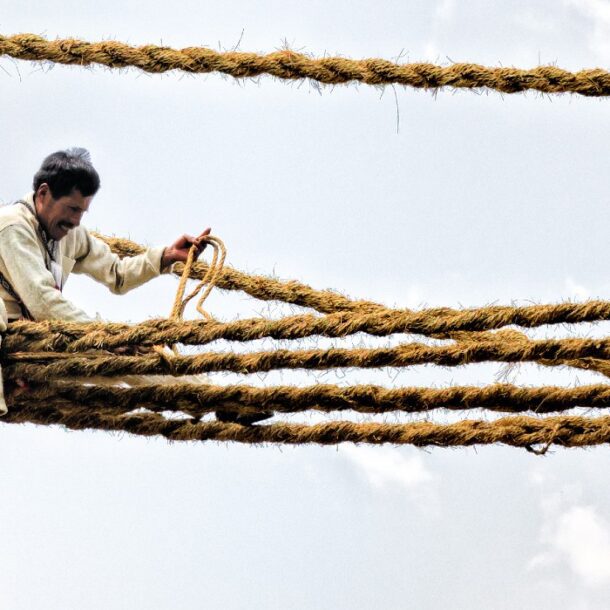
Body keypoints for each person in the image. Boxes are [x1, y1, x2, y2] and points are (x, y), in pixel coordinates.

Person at [0, 148, 210, 414]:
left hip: (48, 336)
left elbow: (117, 273)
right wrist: (104, 336)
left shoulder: (70, 232)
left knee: (134, 355)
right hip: (15, 342)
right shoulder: (12, 227)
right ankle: (206, 399)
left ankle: (214, 398)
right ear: (43, 194)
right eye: (72, 208)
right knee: (122, 357)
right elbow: (44, 302)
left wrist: (166, 257)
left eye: (82, 212)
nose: (76, 220)